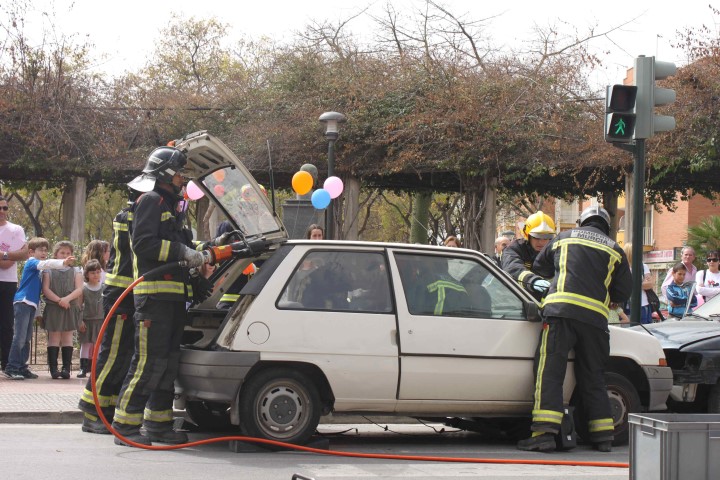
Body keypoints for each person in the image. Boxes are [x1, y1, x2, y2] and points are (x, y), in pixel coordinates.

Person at [111, 146, 214, 446]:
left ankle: (159, 425)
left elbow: (183, 245)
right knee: (148, 363)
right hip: (154, 299)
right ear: (167, 173)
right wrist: (182, 252)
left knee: (167, 364)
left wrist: (206, 247)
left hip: (171, 300)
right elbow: (144, 244)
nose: (184, 179)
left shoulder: (170, 207)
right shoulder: (151, 200)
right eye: (181, 173)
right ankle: (124, 425)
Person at [517, 205, 632, 453]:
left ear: (582, 221)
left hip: (561, 314)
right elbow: (623, 292)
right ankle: (603, 436)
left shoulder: (563, 238)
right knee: (594, 376)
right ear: (606, 226)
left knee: (550, 372)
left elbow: (540, 268)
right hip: (595, 322)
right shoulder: (615, 249)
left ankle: (544, 434)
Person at [78, 190, 139, 435]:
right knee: (112, 356)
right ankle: (92, 411)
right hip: (120, 295)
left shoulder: (134, 215)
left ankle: (107, 408)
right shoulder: (130, 217)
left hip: (129, 294)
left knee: (122, 356)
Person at [4, 238, 75, 380]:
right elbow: (47, 263)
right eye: (40, 250)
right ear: (31, 252)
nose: (44, 252)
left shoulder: (40, 269)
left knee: (26, 337)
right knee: (19, 337)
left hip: (31, 304)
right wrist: (63, 262)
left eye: (45, 250)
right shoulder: (31, 262)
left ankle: (21, 367)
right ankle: (12, 367)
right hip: (23, 302)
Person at [42, 240, 83, 379]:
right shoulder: (49, 270)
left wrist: (67, 299)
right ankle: (53, 369)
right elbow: (46, 289)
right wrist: (59, 300)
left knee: (67, 337)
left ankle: (66, 368)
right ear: (56, 254)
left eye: (68, 253)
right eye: (62, 253)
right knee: (53, 337)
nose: (65, 255)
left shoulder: (77, 270)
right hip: (54, 307)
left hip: (69, 307)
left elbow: (79, 289)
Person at [0, 195, 28, 371]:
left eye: (5, 208)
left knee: (6, 323)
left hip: (8, 282)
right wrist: (10, 253)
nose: (2, 211)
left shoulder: (16, 229)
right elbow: (15, 254)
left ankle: (6, 363)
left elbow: (23, 255)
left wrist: (3, 255)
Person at [501, 211, 555, 300]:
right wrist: (532, 280)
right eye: (536, 237)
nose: (541, 242)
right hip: (518, 301)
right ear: (527, 235)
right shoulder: (515, 249)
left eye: (546, 237)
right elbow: (512, 267)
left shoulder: (555, 250)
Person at [77, 240, 109, 377]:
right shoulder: (84, 288)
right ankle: (83, 367)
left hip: (100, 320)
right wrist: (80, 320)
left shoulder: (103, 287)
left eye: (98, 272)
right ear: (87, 274)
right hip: (87, 320)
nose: (96, 275)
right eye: (93, 273)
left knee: (98, 344)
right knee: (86, 344)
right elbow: (79, 304)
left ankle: (96, 367)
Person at [623, 243, 653, 324]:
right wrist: (641, 283)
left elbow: (650, 284)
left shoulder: (643, 267)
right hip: (625, 306)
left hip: (643, 305)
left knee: (643, 331)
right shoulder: (622, 267)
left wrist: (630, 284)